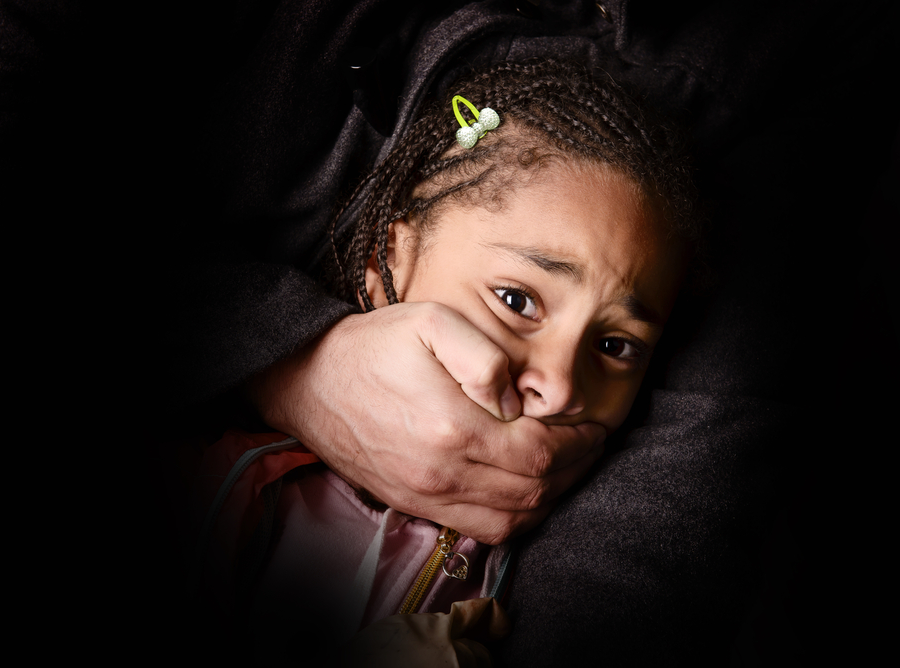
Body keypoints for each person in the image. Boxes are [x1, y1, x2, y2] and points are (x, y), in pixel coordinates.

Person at [191, 58, 701, 666]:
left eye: (615, 346)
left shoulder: (557, 577)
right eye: (516, 300)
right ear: (389, 261)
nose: (561, 387)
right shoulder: (231, 486)